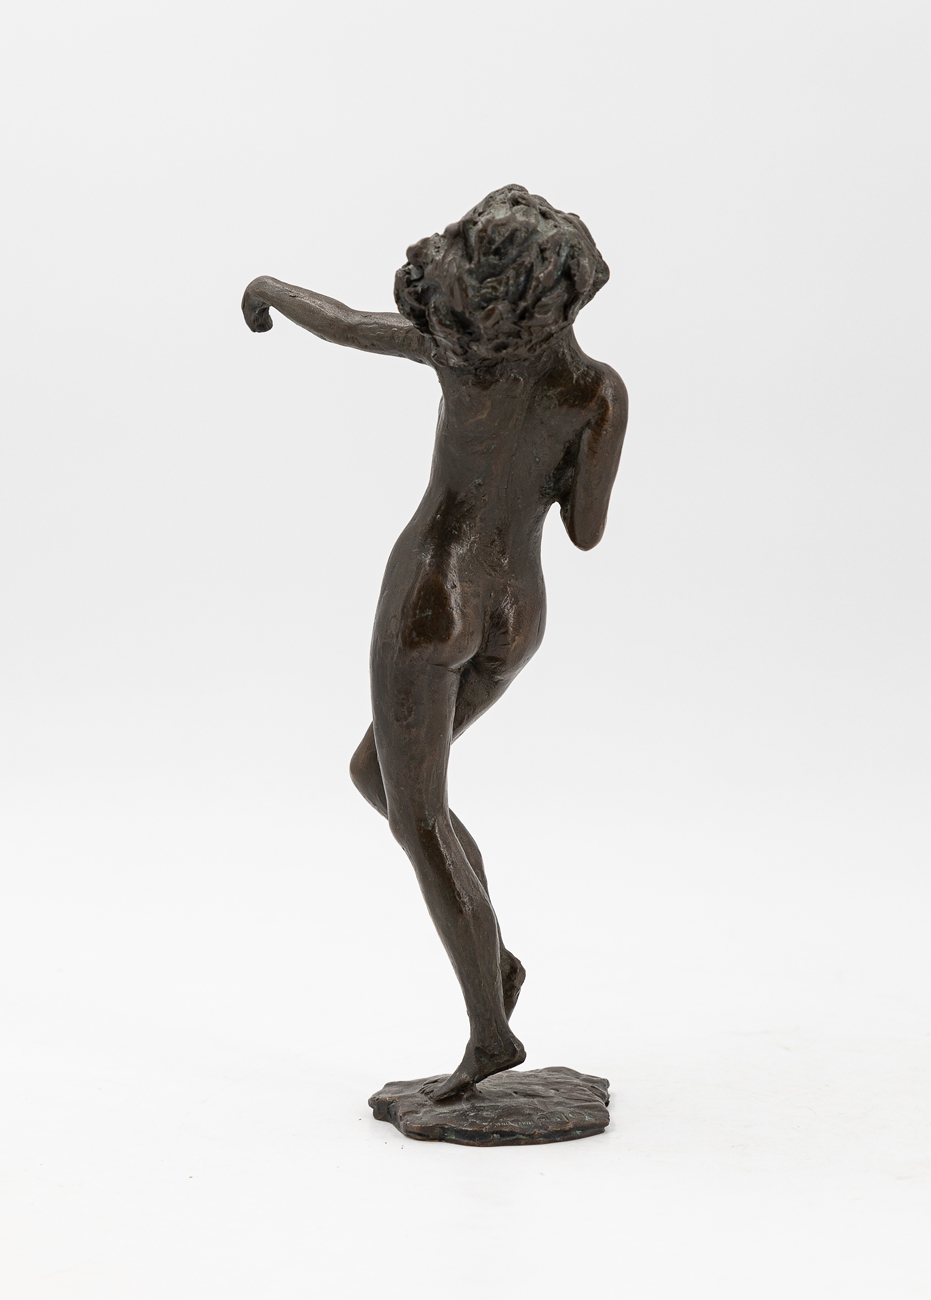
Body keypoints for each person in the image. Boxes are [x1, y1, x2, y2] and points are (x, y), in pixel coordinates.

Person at [242, 185, 628, 1100]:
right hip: (516, 610)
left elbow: (343, 323)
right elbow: (585, 531)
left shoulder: (456, 352)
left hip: (433, 592)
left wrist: (265, 290)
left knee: (416, 815)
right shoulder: (599, 391)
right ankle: (492, 956)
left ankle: (490, 1033)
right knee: (377, 776)